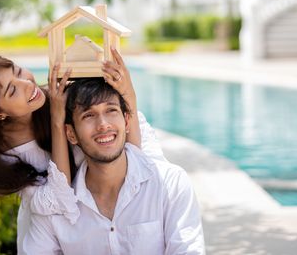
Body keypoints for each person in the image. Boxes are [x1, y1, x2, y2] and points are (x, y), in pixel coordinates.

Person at [0, 49, 165, 252]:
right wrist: (57, 119)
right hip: (54, 229)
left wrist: (127, 92)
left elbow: (128, 154)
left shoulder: (59, 96)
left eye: (18, 71)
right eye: (12, 90)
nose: (27, 83)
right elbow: (58, 199)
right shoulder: (4, 157)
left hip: (103, 205)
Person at [22, 78, 205, 255]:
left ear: (126, 121)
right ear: (71, 134)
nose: (103, 125)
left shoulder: (170, 183)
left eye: (111, 110)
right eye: (89, 115)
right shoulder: (55, 211)